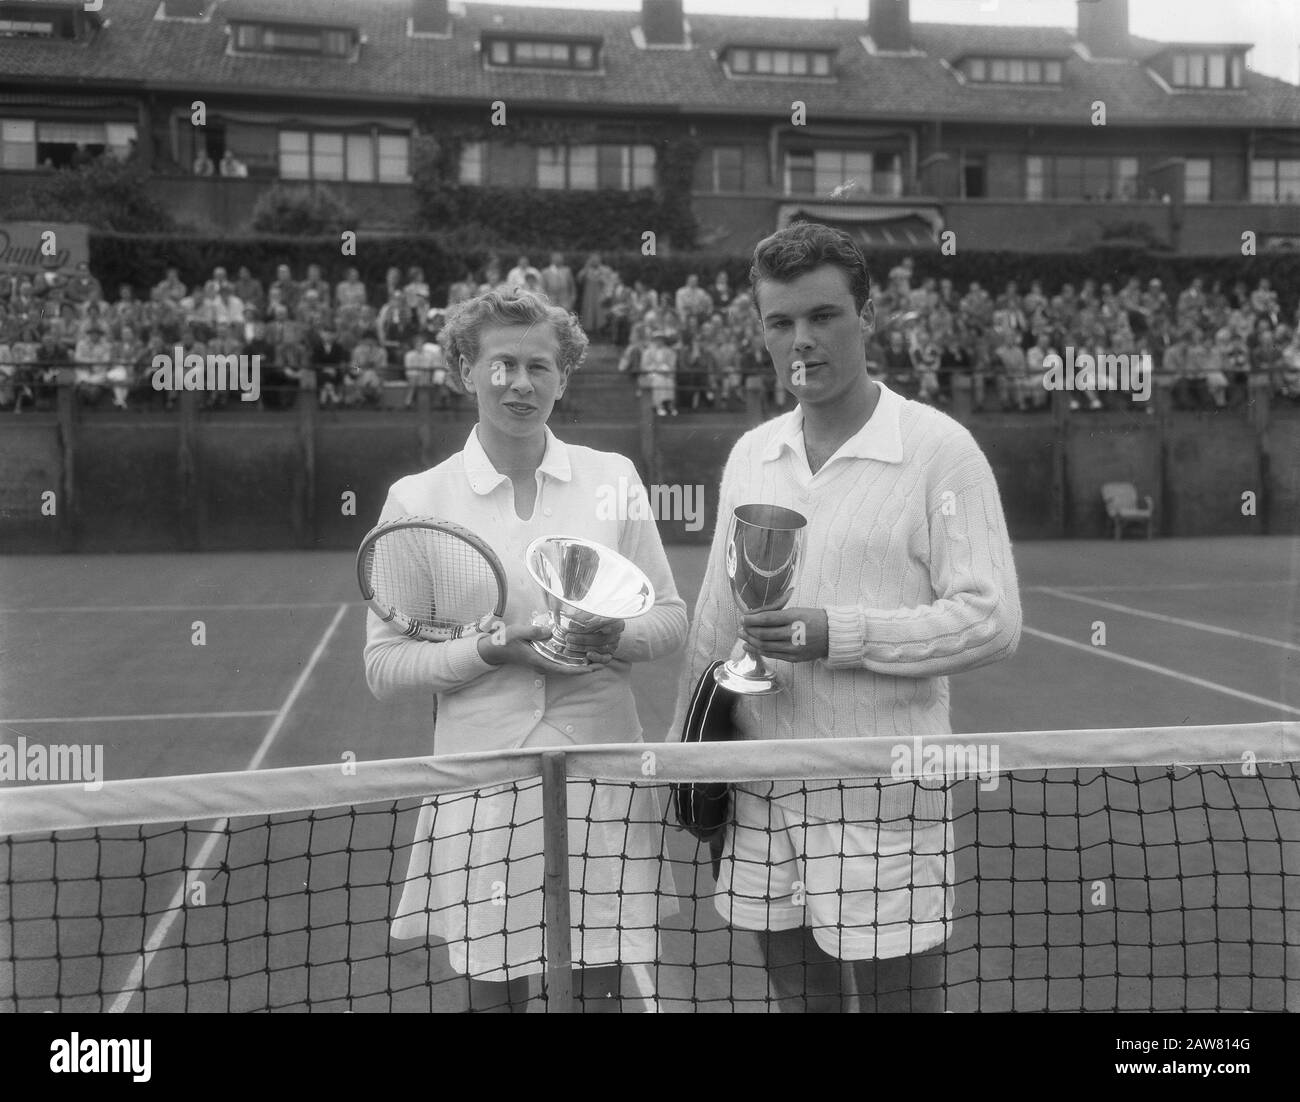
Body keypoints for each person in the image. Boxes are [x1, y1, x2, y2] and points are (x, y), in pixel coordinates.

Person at [667, 222, 1021, 1013]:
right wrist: (687, 760)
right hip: (761, 792)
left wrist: (841, 634)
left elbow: (992, 619)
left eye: (823, 316)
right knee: (803, 1005)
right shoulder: (752, 454)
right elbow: (714, 621)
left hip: (884, 797)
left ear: (867, 315)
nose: (802, 340)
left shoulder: (941, 451)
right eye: (780, 322)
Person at [365, 287, 687, 1012]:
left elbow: (669, 619)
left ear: (563, 378)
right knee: (495, 998)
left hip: (601, 768)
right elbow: (385, 667)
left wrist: (617, 637)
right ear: (464, 371)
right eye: (502, 364)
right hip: (481, 779)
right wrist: (491, 653)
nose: (520, 383)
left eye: (539, 367)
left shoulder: (612, 478)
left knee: (600, 993)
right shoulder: (417, 500)